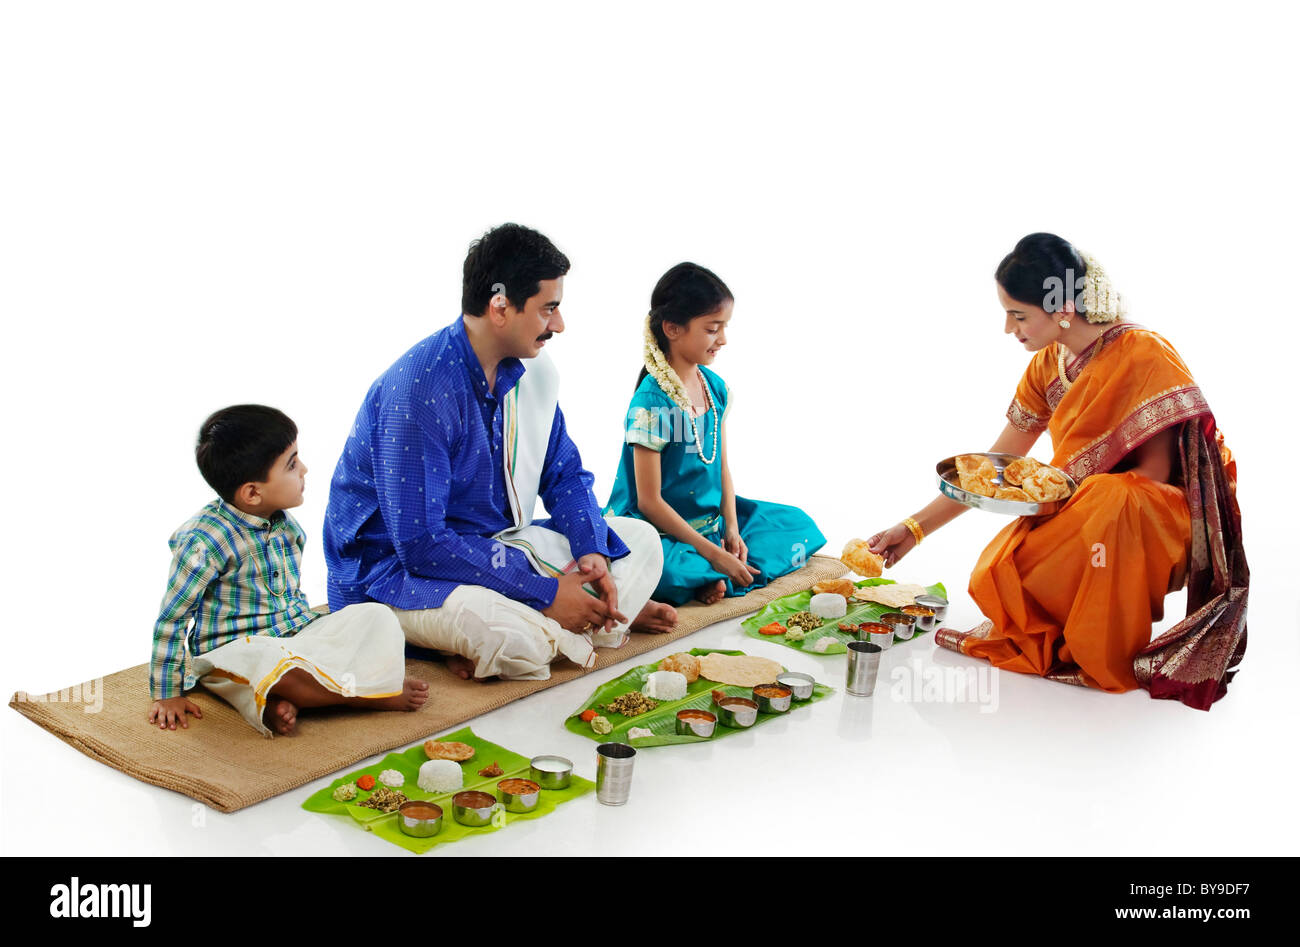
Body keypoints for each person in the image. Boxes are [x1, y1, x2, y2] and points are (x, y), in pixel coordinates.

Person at [868, 234, 1247, 709]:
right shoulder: (1049, 364)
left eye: (1019, 315)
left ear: (1062, 307)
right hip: (1089, 508)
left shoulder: (1142, 353)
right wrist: (913, 528)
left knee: (1113, 498)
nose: (1009, 328)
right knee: (1002, 569)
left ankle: (1100, 650)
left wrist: (1077, 508)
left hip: (1150, 518)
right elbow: (994, 466)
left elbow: (1153, 477)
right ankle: (1067, 631)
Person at [324, 224, 676, 682]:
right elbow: (420, 546)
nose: (559, 324)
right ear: (500, 308)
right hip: (394, 576)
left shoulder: (529, 373)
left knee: (639, 540)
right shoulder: (420, 391)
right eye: (548, 308)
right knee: (505, 633)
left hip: (493, 547)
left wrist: (590, 554)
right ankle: (580, 624)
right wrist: (545, 590)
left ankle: (575, 619)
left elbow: (564, 475)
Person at [148, 405, 427, 737]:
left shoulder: (285, 526)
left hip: (294, 635)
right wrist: (167, 693)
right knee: (268, 661)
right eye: (292, 464)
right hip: (236, 651)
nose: (304, 469)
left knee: (376, 617)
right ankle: (361, 696)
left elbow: (291, 600)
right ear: (253, 492)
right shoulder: (203, 542)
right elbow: (173, 617)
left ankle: (295, 696)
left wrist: (324, 636)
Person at [604, 262, 826, 606]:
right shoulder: (651, 403)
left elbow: (721, 467)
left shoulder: (714, 388)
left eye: (724, 327)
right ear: (673, 329)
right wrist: (714, 553)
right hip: (659, 531)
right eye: (712, 329)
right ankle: (711, 573)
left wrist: (732, 530)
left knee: (798, 524)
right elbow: (648, 503)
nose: (722, 339)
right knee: (661, 570)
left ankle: (713, 576)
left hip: (713, 523)